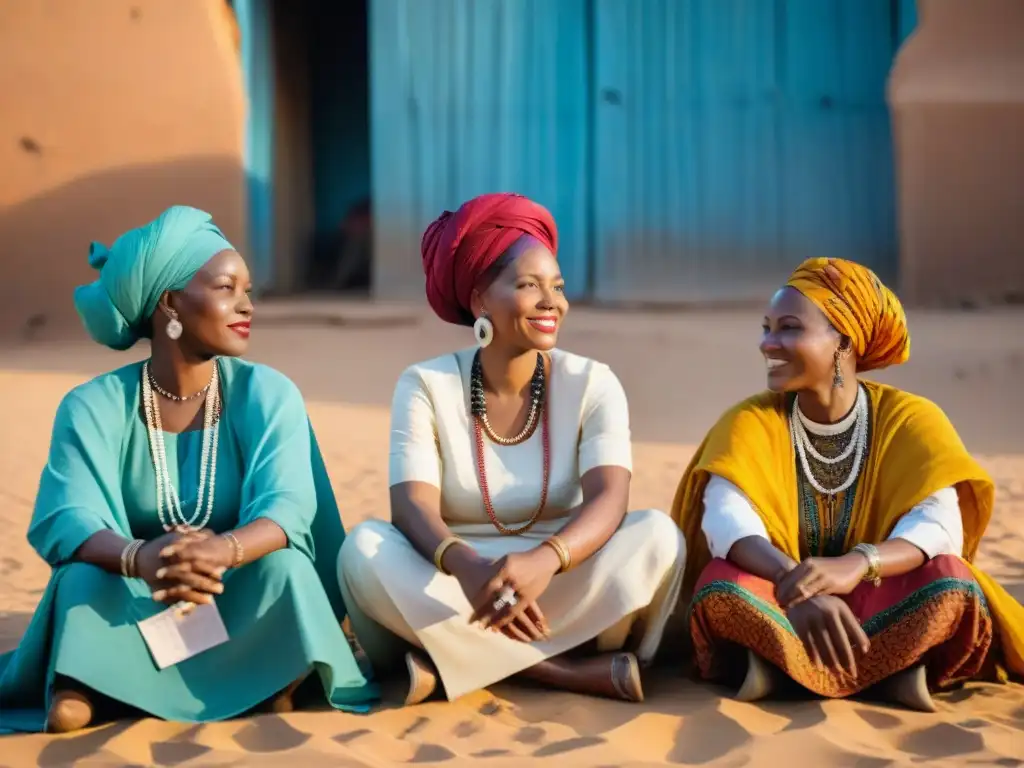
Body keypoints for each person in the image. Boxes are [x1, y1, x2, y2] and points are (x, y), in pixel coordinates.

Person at [0, 206, 378, 734]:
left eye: (248, 289)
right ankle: (94, 684)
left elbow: (289, 506)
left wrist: (222, 551)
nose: (246, 305)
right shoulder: (93, 405)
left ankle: (238, 679)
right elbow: (69, 516)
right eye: (227, 288)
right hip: (135, 593)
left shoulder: (266, 393)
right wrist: (141, 558)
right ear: (170, 301)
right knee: (81, 579)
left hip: (233, 586)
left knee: (285, 570)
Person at [338, 193, 686, 705]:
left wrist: (546, 560)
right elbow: (410, 506)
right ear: (480, 299)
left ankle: (457, 660)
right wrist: (469, 567)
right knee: (363, 550)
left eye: (558, 287)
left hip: (558, 577)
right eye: (529, 285)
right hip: (455, 580)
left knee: (658, 535)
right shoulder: (425, 384)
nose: (553, 302)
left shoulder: (593, 382)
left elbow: (610, 498)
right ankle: (561, 671)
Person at [671, 257, 1024, 711]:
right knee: (722, 585)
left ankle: (785, 674)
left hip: (879, 593)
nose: (768, 344)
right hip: (786, 601)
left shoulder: (911, 419)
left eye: (789, 328)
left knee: (951, 582)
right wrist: (793, 587)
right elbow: (726, 519)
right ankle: (891, 674)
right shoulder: (749, 420)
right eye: (766, 328)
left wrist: (859, 565)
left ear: (844, 340)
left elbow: (939, 526)